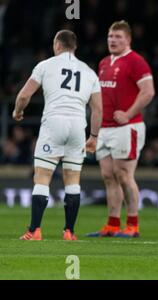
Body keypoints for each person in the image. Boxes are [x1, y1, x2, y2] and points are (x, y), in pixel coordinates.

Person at [13, 30, 102, 240]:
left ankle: (34, 230)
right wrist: (94, 136)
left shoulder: (46, 65)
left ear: (57, 45)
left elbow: (24, 94)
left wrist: (18, 111)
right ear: (75, 47)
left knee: (42, 177)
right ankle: (69, 231)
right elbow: (98, 109)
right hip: (78, 127)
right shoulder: (89, 71)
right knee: (72, 179)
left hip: (54, 123)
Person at [87, 20, 155, 238]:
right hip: (105, 127)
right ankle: (112, 224)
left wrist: (128, 113)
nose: (113, 40)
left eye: (118, 37)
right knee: (108, 176)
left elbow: (148, 91)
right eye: (110, 36)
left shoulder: (136, 61)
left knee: (124, 174)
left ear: (128, 39)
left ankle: (133, 224)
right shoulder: (104, 62)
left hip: (127, 127)